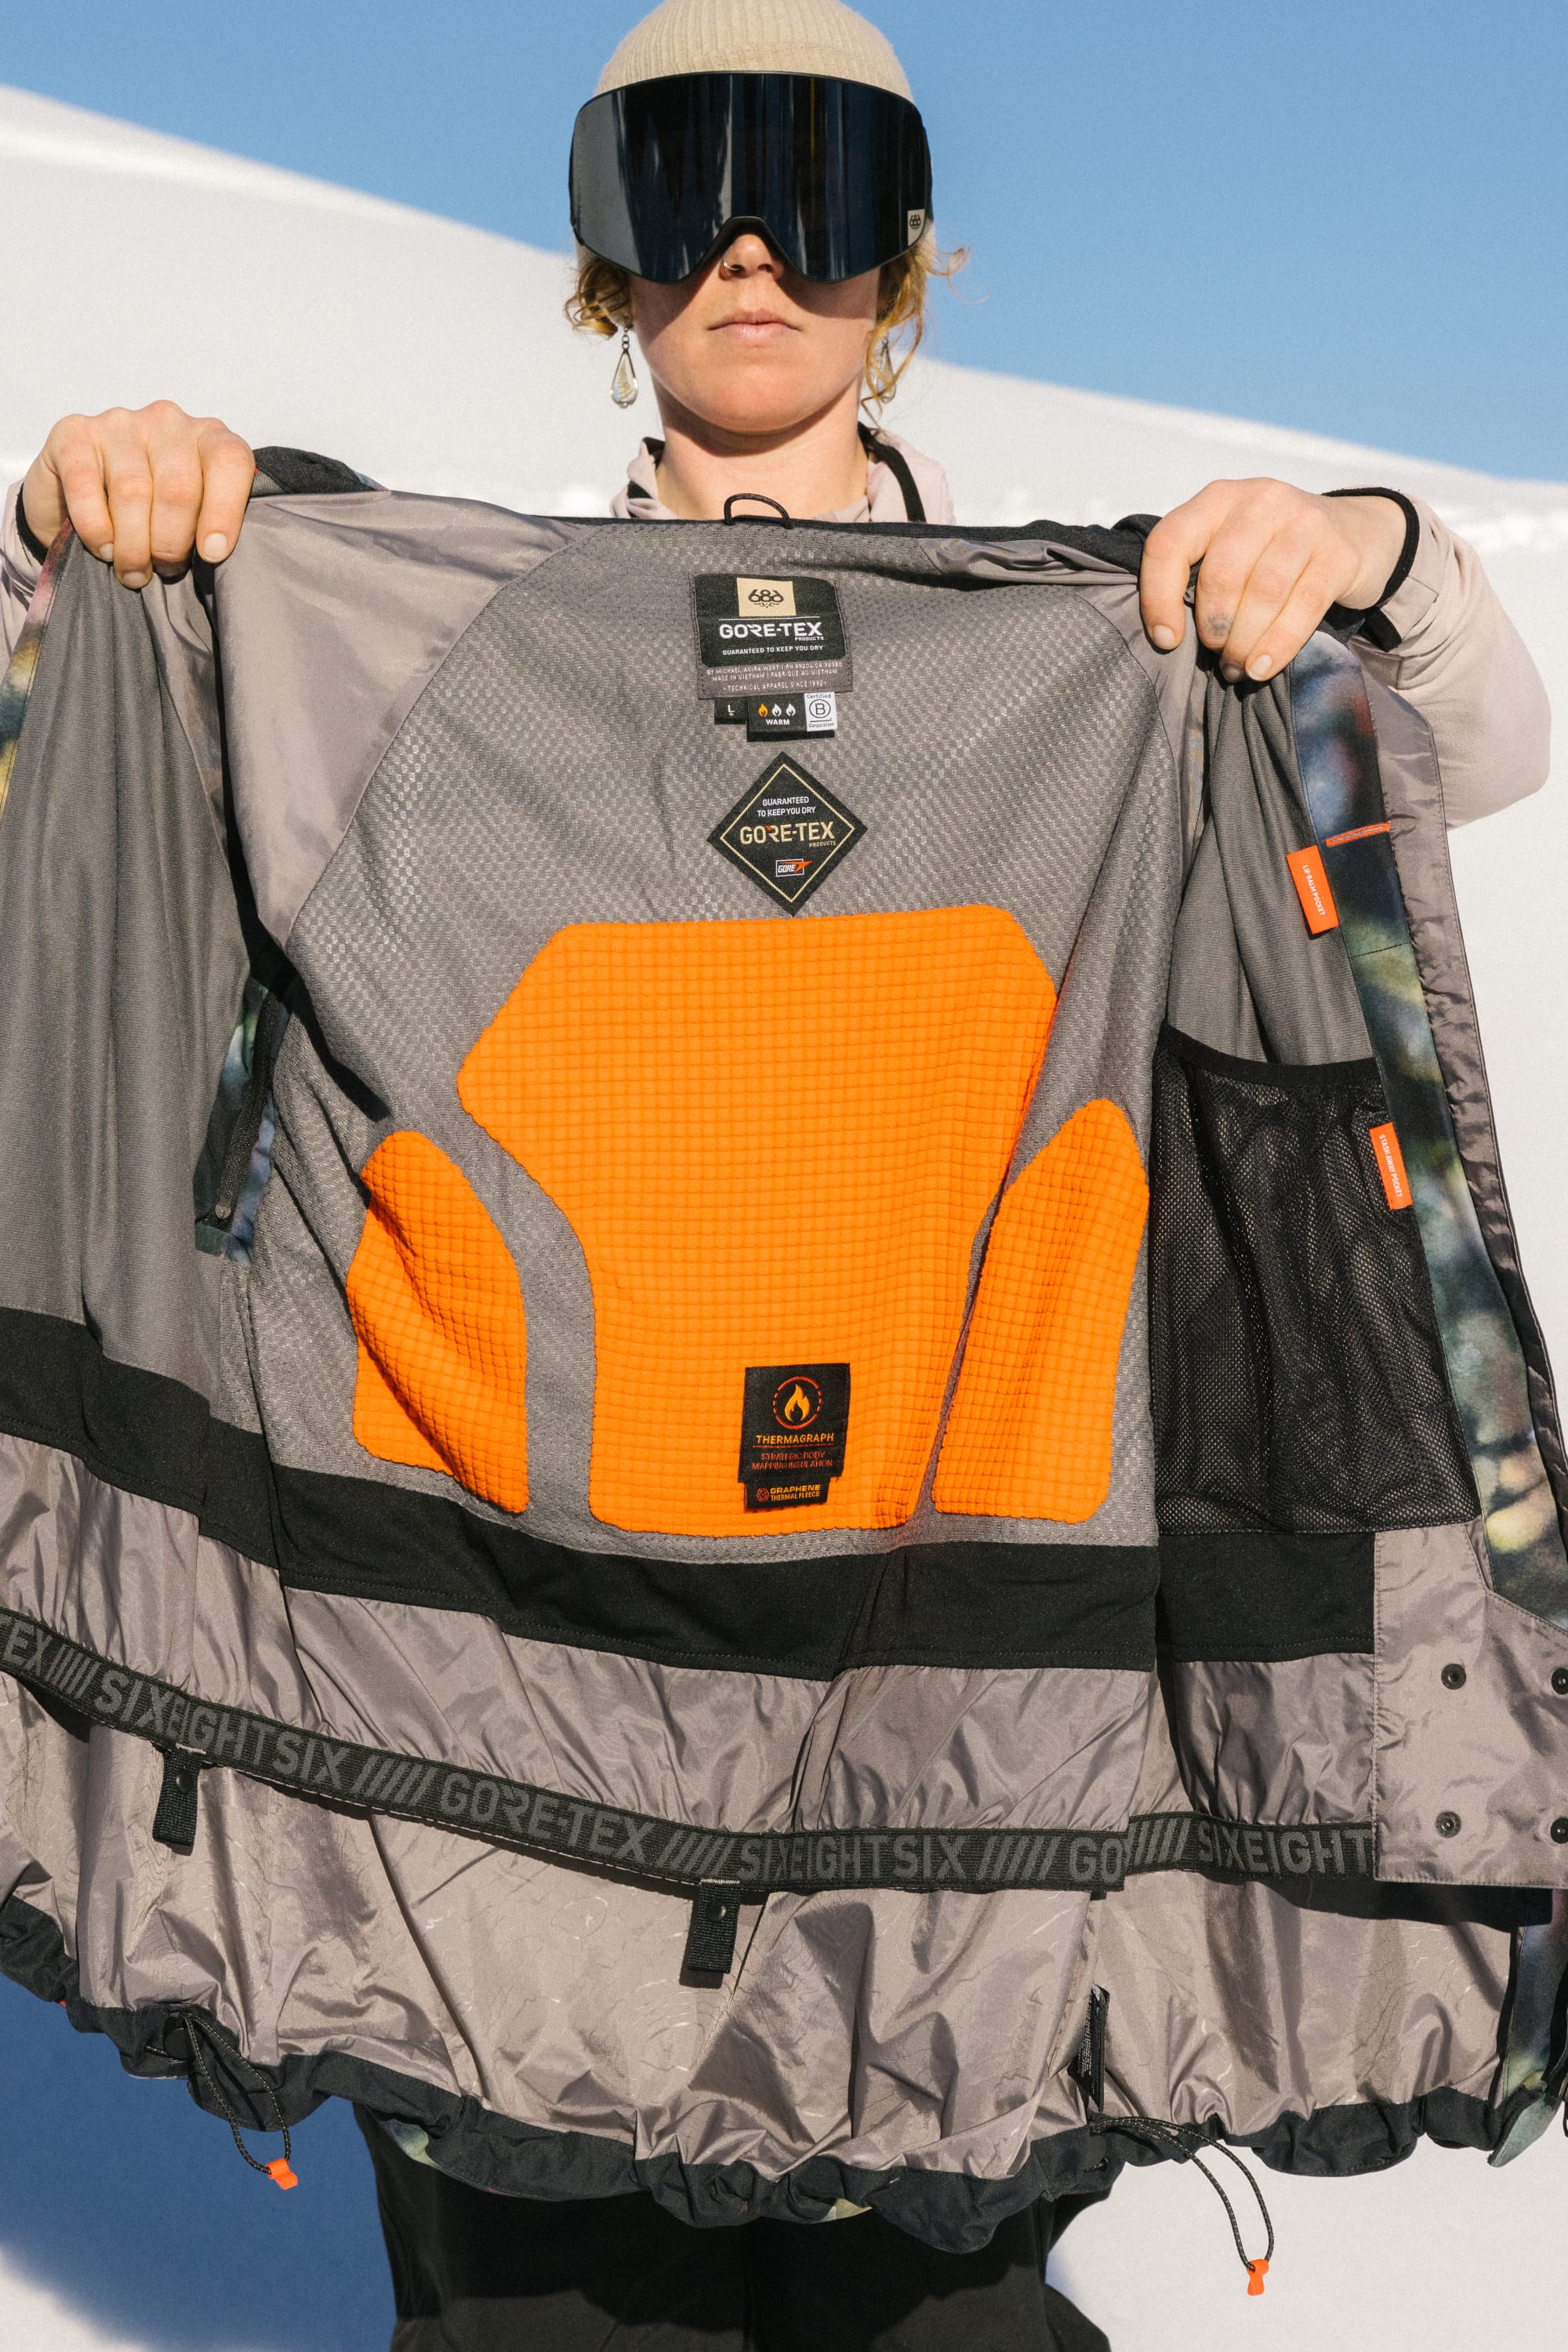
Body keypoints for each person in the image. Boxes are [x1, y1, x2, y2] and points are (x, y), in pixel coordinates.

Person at [0, 3, 1550, 2347]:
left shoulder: (1128, 650)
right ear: (598, 270)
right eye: (675, 188)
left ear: (905, 264)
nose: (745, 251)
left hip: (942, 1734)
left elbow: (1455, 750)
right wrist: (91, 546)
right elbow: (79, 757)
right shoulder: (415, 648)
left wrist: (1369, 554)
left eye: (814, 191)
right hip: (499, 1727)